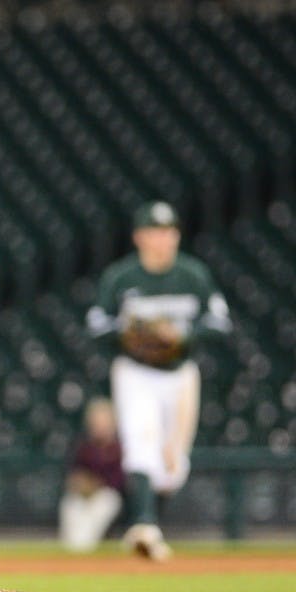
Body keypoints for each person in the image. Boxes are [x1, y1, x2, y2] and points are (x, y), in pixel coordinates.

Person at [85, 201, 231, 561]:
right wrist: (130, 334)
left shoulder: (193, 275)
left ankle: (146, 525)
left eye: (168, 232)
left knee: (173, 465)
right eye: (154, 231)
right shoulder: (121, 278)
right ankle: (145, 523)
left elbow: (221, 323)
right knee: (141, 442)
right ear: (139, 237)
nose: (162, 239)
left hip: (180, 375)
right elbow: (95, 325)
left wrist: (182, 336)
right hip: (135, 372)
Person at [58, 397, 125, 552]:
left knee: (105, 504)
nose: (99, 425)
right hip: (83, 495)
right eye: (96, 421)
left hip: (106, 496)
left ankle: (85, 549)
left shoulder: (119, 447)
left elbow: (119, 481)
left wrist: (95, 485)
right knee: (71, 504)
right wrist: (80, 484)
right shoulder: (84, 447)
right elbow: (73, 474)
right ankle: (72, 549)